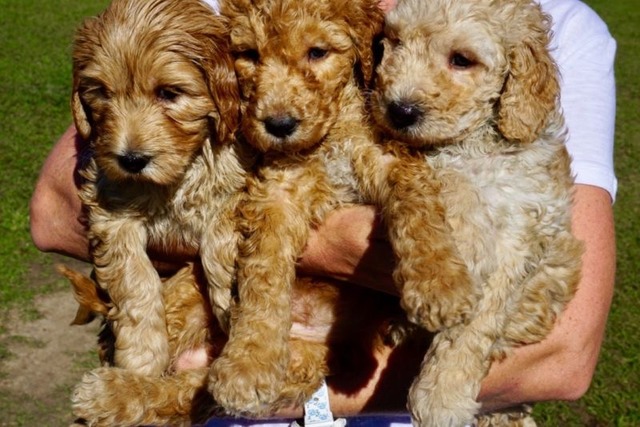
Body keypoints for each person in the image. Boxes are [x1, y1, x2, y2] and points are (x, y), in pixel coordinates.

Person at [29, 0, 616, 418]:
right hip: (231, 342)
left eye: (461, 61)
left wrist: (282, 399)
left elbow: (563, 357)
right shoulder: (206, 11)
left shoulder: (560, 23)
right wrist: (301, 241)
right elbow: (55, 210)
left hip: (378, 387)